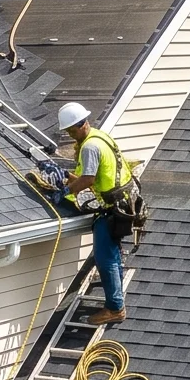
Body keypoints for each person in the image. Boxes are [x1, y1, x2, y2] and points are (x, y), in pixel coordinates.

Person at [53, 101, 139, 326]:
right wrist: (68, 176)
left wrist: (65, 191)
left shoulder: (90, 147)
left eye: (71, 131)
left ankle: (114, 308)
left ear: (82, 125)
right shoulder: (100, 137)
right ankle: (116, 301)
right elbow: (93, 178)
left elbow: (88, 180)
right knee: (112, 255)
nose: (71, 135)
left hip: (112, 209)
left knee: (105, 258)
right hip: (125, 202)